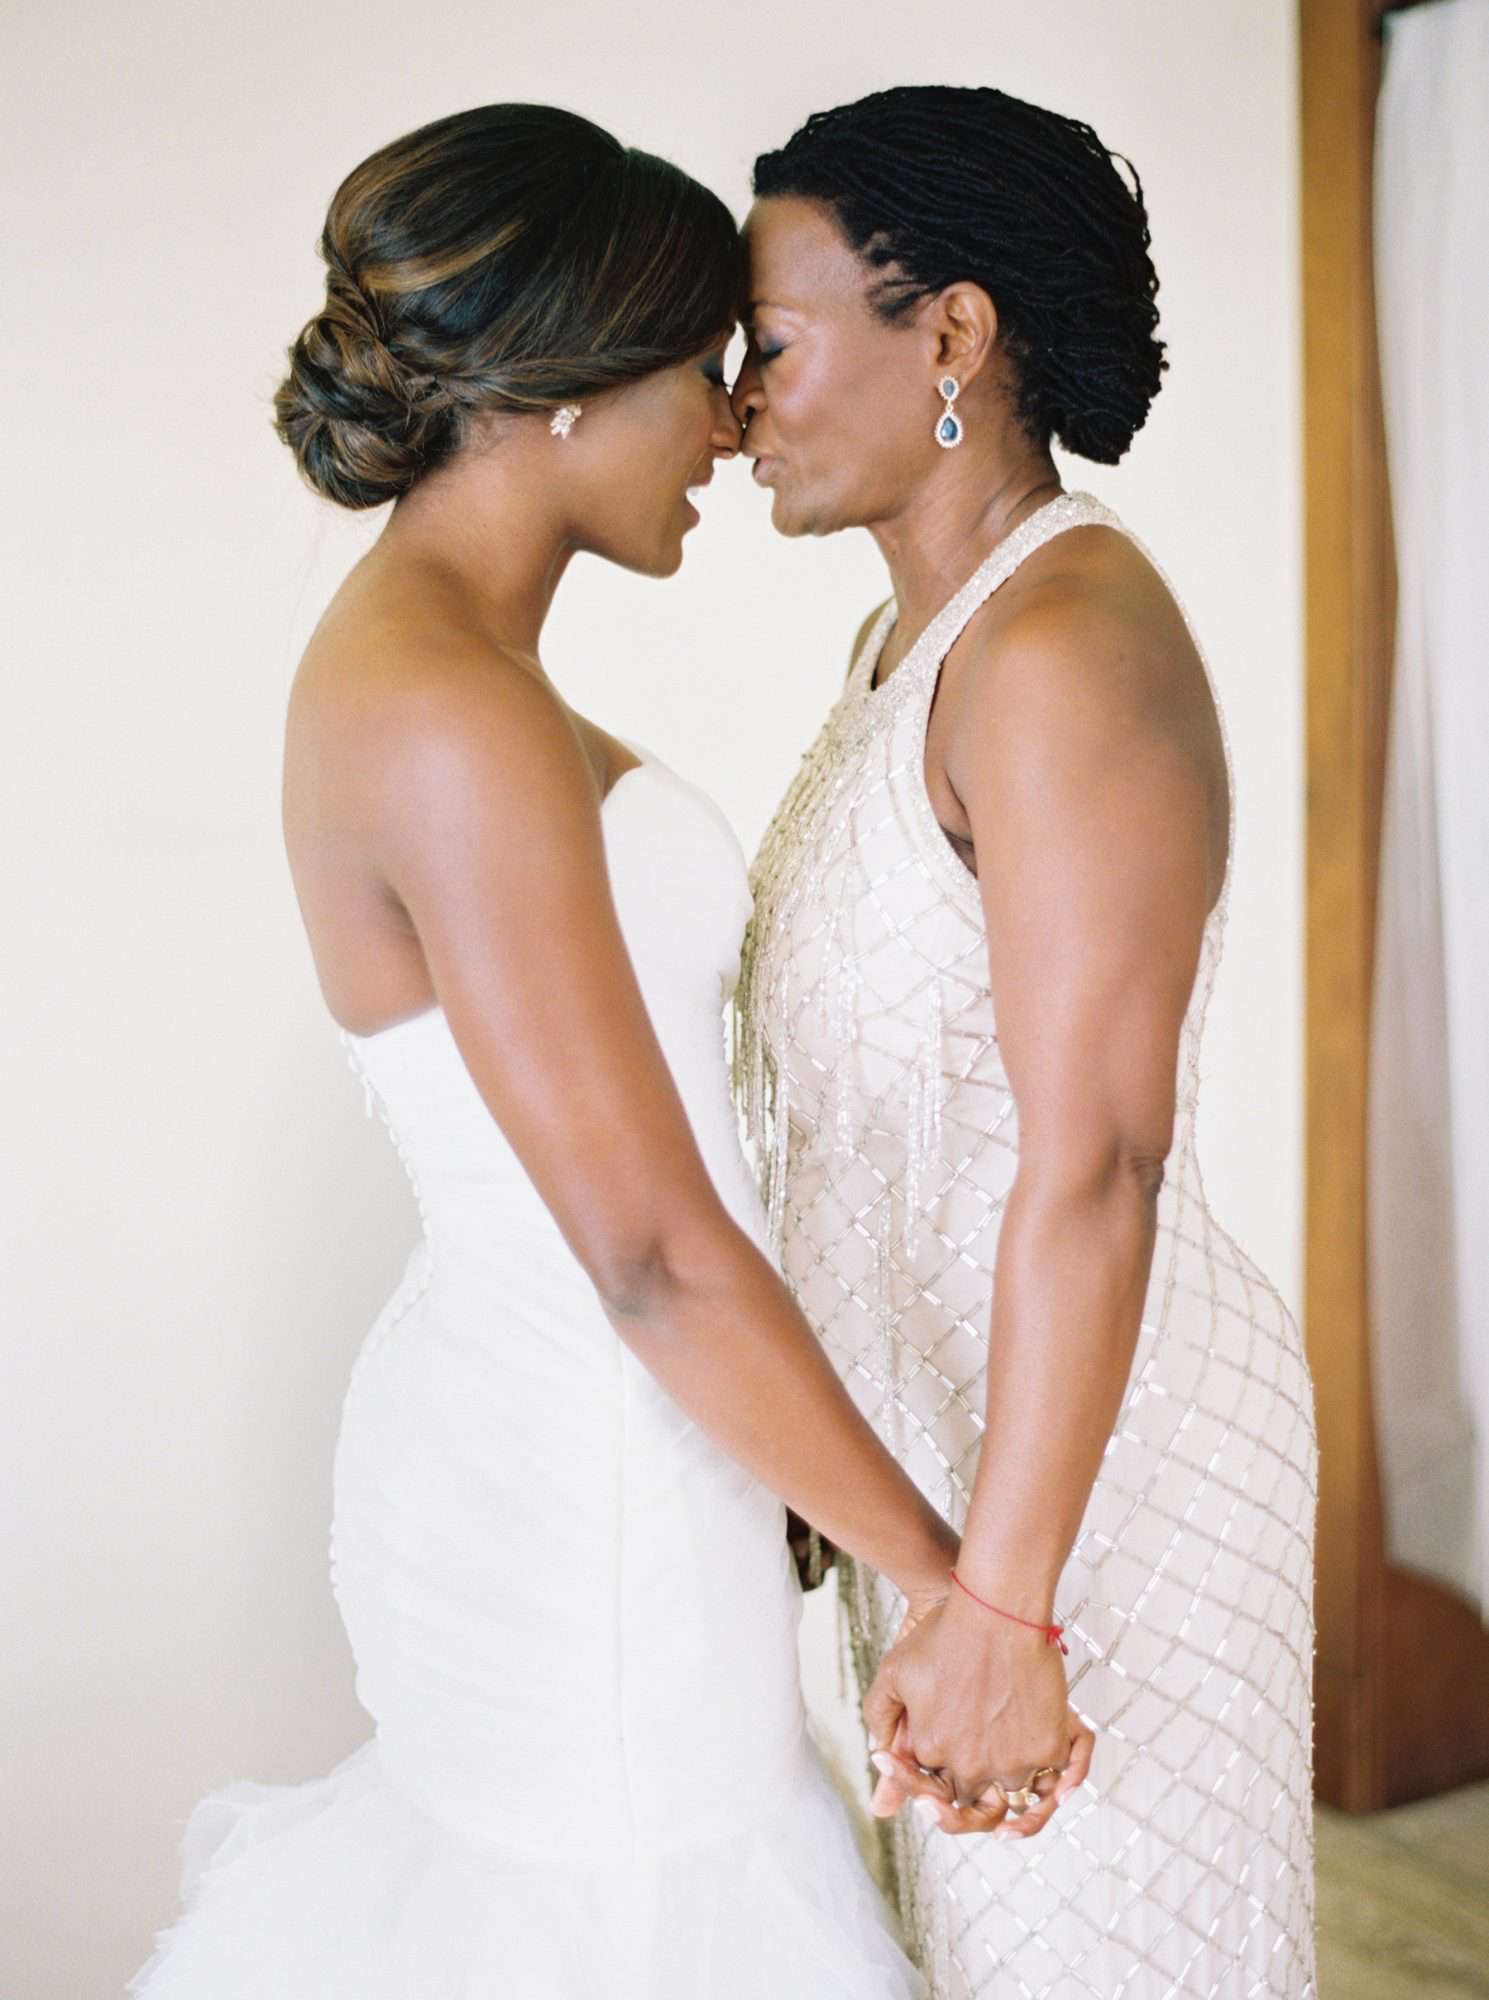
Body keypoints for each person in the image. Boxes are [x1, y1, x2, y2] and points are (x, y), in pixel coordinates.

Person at [127, 102, 1081, 2000]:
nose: (731, 422)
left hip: (634, 1448)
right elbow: (645, 1254)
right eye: (696, 367)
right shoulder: (437, 706)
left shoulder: (458, 670)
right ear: (565, 386)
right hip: (579, 1488)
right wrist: (952, 1583)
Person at [731, 84, 1318, 1999]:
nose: (739, 399)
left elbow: (1093, 1156)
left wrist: (1003, 1595)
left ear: (953, 339)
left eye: (776, 343)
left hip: (1089, 1486)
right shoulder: (906, 654)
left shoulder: (1061, 643)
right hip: (956, 1473)